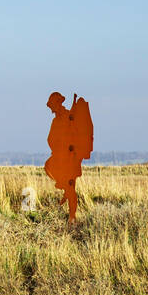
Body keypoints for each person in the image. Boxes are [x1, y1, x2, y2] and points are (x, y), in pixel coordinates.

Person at [43, 91, 93, 221]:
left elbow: (76, 136)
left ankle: (72, 217)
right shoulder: (57, 120)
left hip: (71, 159)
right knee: (48, 167)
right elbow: (50, 138)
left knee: (71, 188)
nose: (51, 108)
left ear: (57, 104)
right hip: (60, 157)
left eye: (52, 105)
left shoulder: (69, 117)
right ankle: (64, 188)